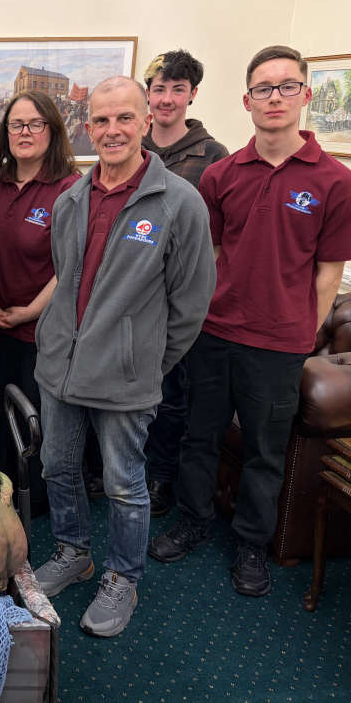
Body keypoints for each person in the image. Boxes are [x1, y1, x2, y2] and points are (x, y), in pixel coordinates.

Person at [150, 46, 351, 597]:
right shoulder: (221, 175)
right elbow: (210, 256)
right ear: (247, 101)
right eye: (264, 88)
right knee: (199, 436)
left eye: (287, 86)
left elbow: (328, 273)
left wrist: (301, 336)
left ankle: (251, 544)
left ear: (306, 95)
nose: (275, 98)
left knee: (265, 451)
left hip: (280, 344)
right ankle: (193, 520)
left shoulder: (334, 181)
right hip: (214, 333)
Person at [32, 77, 215, 637]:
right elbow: (66, 279)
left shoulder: (178, 202)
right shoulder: (70, 199)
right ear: (89, 127)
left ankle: (122, 578)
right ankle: (73, 552)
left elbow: (191, 302)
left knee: (123, 484)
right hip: (60, 369)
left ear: (145, 123)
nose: (113, 130)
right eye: (102, 120)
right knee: (58, 467)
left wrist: (145, 360)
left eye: (124, 118)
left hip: (126, 378)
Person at [0, 90, 79, 506]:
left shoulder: (70, 188)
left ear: (52, 130)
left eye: (36, 124)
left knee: (36, 423)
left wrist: (31, 311)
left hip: (43, 332)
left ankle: (33, 508)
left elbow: (72, 263)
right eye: (16, 124)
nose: (25, 132)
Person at [140, 50, 229, 517]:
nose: (167, 99)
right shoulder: (132, 145)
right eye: (159, 89)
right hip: (132, 293)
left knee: (170, 393)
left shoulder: (212, 157)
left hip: (178, 296)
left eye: (178, 90)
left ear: (192, 95)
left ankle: (160, 477)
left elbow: (218, 236)